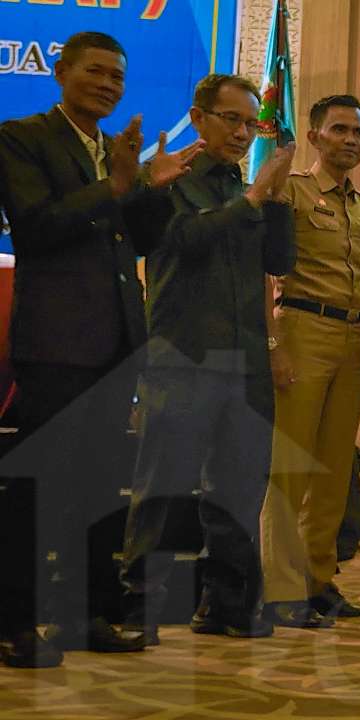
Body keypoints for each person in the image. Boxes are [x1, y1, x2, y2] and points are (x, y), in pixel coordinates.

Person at [0, 31, 200, 667]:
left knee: (98, 488)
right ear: (60, 72)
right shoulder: (22, 137)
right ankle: (14, 622)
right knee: (37, 486)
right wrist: (115, 184)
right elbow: (33, 229)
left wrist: (152, 189)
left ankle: (88, 614)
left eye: (117, 75)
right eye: (95, 72)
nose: (108, 84)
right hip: (56, 342)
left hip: (117, 343)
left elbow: (136, 242)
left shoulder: (113, 152)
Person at [118, 73, 296, 643]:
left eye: (251, 123)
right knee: (163, 486)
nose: (244, 133)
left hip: (244, 359)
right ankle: (135, 608)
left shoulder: (244, 183)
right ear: (198, 118)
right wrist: (252, 199)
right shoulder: (168, 178)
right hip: (184, 355)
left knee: (239, 486)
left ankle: (226, 604)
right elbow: (185, 243)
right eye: (232, 120)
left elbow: (279, 259)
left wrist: (278, 199)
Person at [259, 94, 360, 626]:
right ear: (314, 136)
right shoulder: (291, 191)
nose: (350, 140)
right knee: (290, 469)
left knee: (332, 471)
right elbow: (264, 274)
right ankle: (281, 591)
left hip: (351, 341)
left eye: (358, 132)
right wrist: (274, 344)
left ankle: (318, 582)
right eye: (340, 130)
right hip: (302, 330)